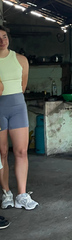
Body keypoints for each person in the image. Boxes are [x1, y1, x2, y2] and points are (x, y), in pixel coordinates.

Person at [0, 26, 38, 210]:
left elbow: (22, 87)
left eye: (4, 36)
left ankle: (22, 195)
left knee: (21, 152)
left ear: (8, 38)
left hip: (17, 107)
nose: (2, 41)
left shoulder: (21, 60)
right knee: (2, 153)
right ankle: (6, 193)